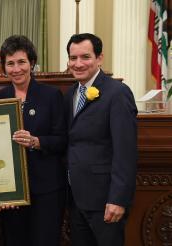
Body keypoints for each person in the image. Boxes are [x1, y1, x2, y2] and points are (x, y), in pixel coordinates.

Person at [0, 35, 67, 246]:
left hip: (47, 189)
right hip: (11, 190)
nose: (16, 69)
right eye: (10, 63)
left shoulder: (51, 96)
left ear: (31, 63)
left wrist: (36, 141)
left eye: (21, 62)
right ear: (4, 67)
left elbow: (62, 140)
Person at [64, 33, 137, 246]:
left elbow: (126, 151)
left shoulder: (118, 93)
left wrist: (118, 199)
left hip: (105, 201)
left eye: (85, 57)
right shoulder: (70, 94)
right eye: (73, 58)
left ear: (99, 58)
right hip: (76, 199)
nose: (78, 64)